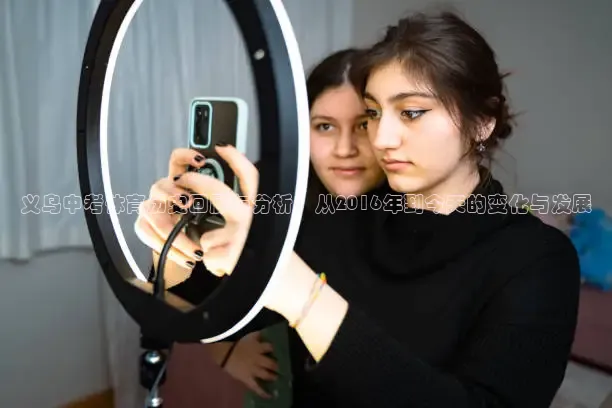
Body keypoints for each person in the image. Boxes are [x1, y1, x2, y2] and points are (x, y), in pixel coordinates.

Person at [136, 10, 581, 408]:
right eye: (374, 114)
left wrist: (302, 294)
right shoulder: (339, 217)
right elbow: (206, 315)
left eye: (411, 112)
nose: (381, 139)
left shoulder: (537, 259)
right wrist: (174, 246)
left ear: (482, 121)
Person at [137, 48, 385, 402]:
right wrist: (223, 349)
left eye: (362, 125)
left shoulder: (412, 200)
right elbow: (180, 294)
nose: (345, 149)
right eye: (325, 126)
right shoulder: (267, 189)